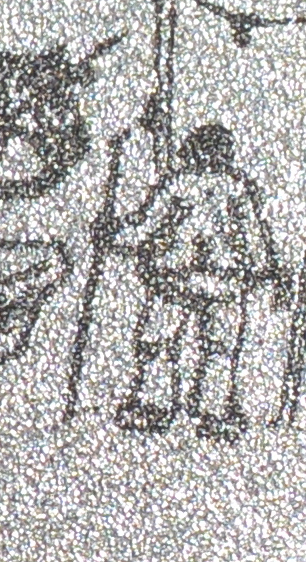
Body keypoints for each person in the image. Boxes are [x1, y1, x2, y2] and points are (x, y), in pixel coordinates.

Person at [112, 123, 280, 436]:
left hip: (188, 277)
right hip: (207, 279)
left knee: (166, 341)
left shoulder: (191, 185)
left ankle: (160, 404)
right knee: (208, 345)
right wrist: (263, 266)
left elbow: (147, 225)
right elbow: (253, 236)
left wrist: (117, 236)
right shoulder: (226, 187)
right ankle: (203, 409)